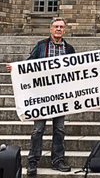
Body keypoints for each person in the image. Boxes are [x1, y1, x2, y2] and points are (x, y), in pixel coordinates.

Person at [6, 17, 74, 175]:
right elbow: (29, 64)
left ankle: (58, 161)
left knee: (60, 129)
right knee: (38, 129)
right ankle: (33, 161)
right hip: (41, 95)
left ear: (64, 30)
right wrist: (15, 68)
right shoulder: (41, 46)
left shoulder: (69, 49)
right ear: (50, 29)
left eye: (61, 27)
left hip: (60, 95)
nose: (58, 29)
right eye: (56, 26)